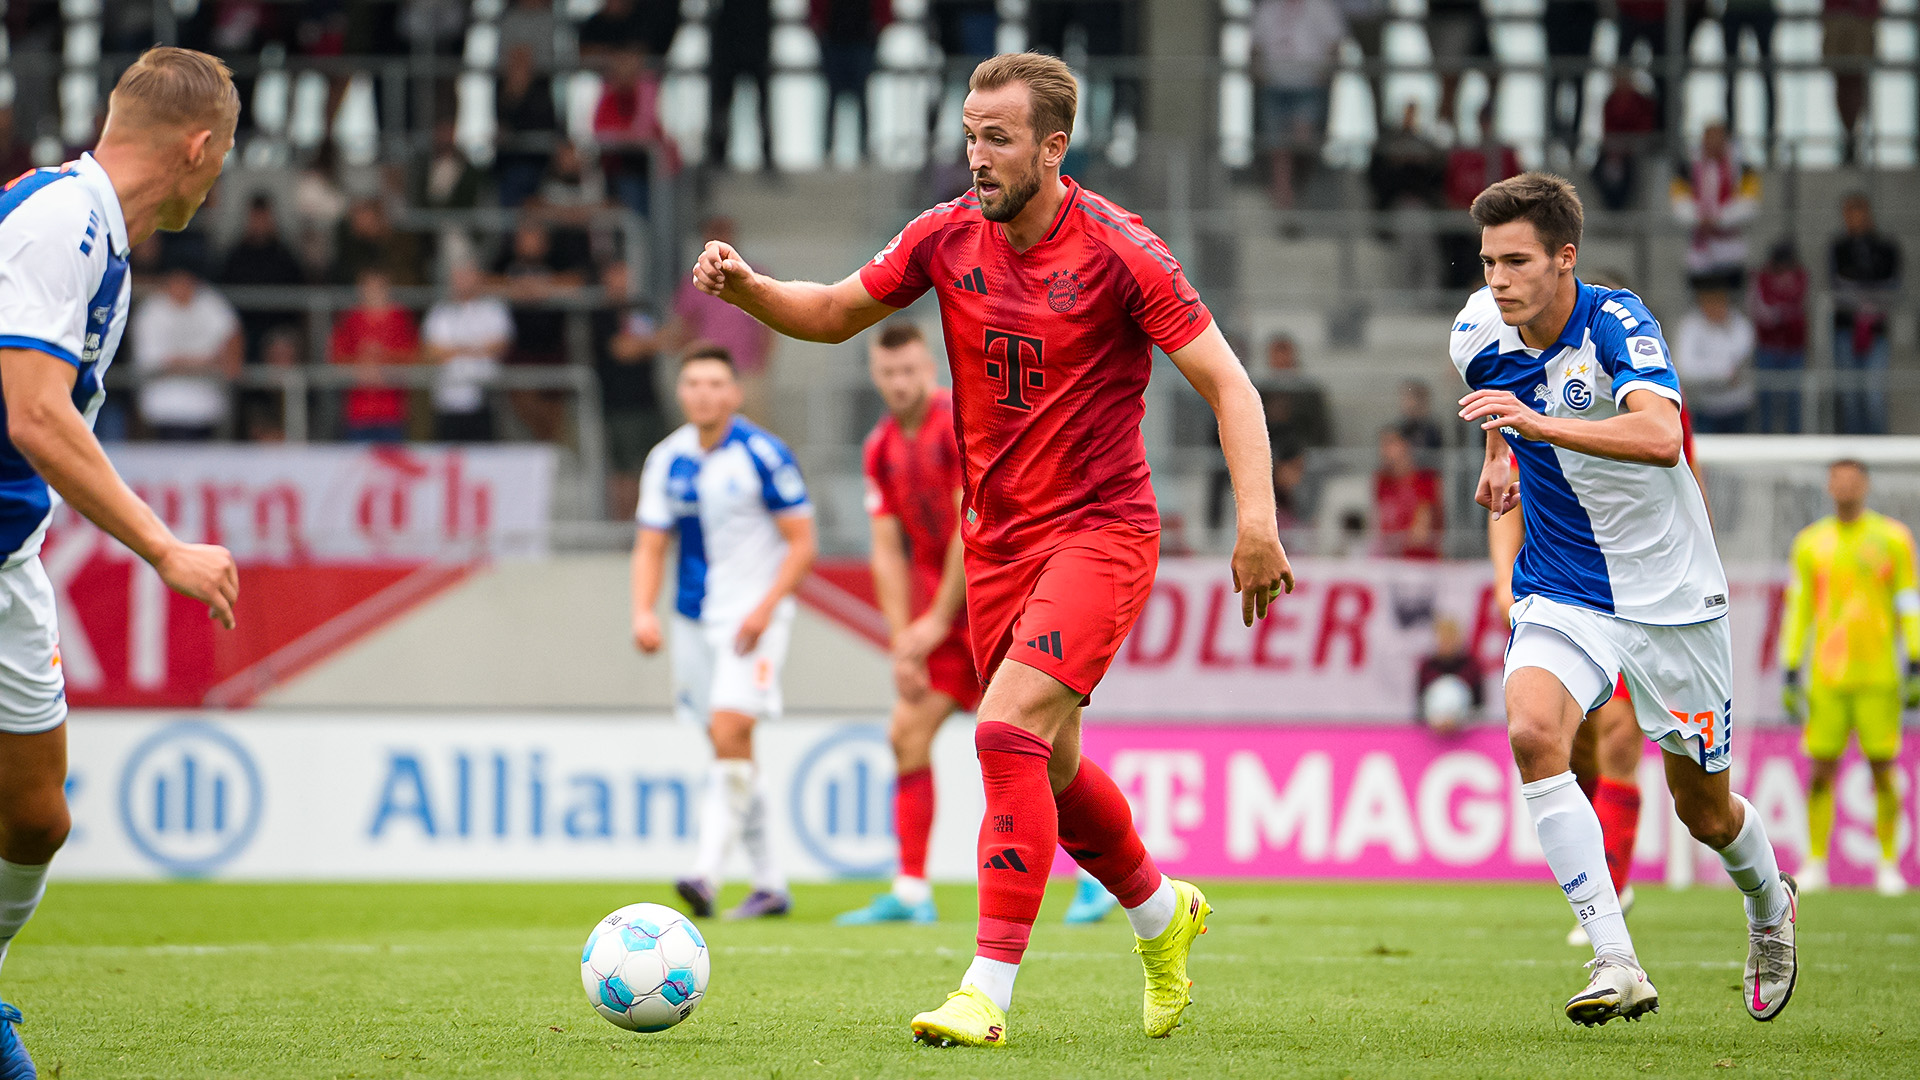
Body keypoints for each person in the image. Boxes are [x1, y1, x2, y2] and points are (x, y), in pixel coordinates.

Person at [686, 51, 1293, 1046]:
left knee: (1004, 733)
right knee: (1049, 766)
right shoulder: (945, 236)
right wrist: (749, 290)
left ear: (1055, 148)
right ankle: (1160, 912)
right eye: (970, 134)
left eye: (998, 137)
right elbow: (838, 313)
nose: (976, 155)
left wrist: (1257, 522)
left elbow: (1232, 387)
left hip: (1100, 533)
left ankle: (986, 990)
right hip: (999, 546)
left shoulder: (1122, 251)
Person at [1453, 172, 1796, 1026]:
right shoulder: (1475, 329)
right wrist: (1499, 451)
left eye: (1518, 261)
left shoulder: (1617, 322)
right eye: (1489, 260)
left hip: (1672, 596)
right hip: (1565, 584)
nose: (1498, 279)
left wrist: (1536, 428)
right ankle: (1616, 959)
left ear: (1565, 259)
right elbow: (1502, 393)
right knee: (1534, 733)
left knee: (1705, 811)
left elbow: (1657, 433)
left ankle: (1769, 905)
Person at [0, 46, 242, 1076]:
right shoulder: (62, 219)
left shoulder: (96, 232)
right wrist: (163, 546)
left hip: (9, 548)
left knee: (34, 815)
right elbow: (35, 415)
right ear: (198, 147)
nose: (219, 176)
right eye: (222, 157)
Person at [630, 345, 817, 921]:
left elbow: (803, 541)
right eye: (693, 383)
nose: (703, 393)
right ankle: (770, 884)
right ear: (681, 392)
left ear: (735, 393)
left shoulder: (763, 453)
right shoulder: (666, 459)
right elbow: (651, 543)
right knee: (726, 744)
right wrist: (643, 610)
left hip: (751, 620)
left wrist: (765, 607)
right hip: (692, 620)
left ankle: (705, 872)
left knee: (731, 727)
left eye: (715, 382)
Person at [836, 320, 980, 926]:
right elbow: (886, 550)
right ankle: (913, 891)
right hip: (940, 625)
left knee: (1040, 746)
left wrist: (937, 619)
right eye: (889, 372)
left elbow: (969, 528)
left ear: (931, 369)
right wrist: (903, 640)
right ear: (876, 376)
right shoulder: (880, 447)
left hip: (999, 603)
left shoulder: (956, 424)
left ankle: (1092, 882)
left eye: (910, 370)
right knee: (906, 734)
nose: (900, 382)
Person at [1779, 460, 1915, 898]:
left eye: (1853, 478)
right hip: (1827, 676)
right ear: (1829, 485)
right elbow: (1799, 606)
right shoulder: (1810, 543)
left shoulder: (1893, 539)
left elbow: (1908, 599)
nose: (1846, 485)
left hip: (1878, 675)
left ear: (1866, 484)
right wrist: (1791, 662)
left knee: (1883, 770)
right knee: (1821, 772)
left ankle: (1888, 863)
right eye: (1838, 478)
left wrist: (1914, 656)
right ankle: (1816, 860)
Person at [666, 216, 776, 424]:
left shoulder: (756, 274)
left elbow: (768, 325)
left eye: (724, 232)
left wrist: (763, 363)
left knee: (752, 429)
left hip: (746, 370)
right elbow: (686, 326)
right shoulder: (693, 280)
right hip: (708, 370)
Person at [1250, 0, 1345, 210]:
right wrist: (1260, 75)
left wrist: (1325, 76)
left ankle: (1298, 190)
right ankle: (1284, 199)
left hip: (1308, 86)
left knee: (1302, 141)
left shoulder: (1321, 7)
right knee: (1278, 146)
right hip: (1275, 86)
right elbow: (1256, 45)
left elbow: (1335, 45)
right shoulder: (1269, 8)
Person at [130, 266, 241, 439]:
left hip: (208, 406)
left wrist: (224, 364)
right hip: (164, 409)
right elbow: (154, 362)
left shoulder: (210, 303)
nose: (182, 286)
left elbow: (232, 337)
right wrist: (207, 362)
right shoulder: (151, 310)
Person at [594, 261, 667, 521]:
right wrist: (649, 344)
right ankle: (623, 527)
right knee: (623, 471)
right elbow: (621, 350)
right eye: (615, 273)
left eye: (625, 272)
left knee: (653, 466)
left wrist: (643, 344)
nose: (621, 279)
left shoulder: (641, 307)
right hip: (619, 403)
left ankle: (648, 524)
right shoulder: (600, 313)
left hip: (648, 398)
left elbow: (668, 340)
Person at [1829, 193, 1899, 435]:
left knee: (1874, 395)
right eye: (1849, 214)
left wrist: (1865, 295)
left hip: (1876, 331)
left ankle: (1876, 452)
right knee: (1849, 395)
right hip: (1846, 329)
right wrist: (1866, 293)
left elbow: (1890, 285)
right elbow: (1836, 284)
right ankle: (1853, 455)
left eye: (1858, 213)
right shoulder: (1838, 247)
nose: (1853, 219)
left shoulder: (1886, 247)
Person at [421, 262, 511, 442]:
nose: (461, 282)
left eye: (467, 276)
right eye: (458, 277)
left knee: (483, 459)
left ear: (477, 278)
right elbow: (432, 353)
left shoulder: (493, 309)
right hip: (448, 401)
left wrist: (454, 349)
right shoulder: (440, 312)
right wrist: (474, 348)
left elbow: (499, 346)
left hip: (484, 399)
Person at [328, 269, 419, 442]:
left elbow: (412, 356)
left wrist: (383, 357)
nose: (373, 293)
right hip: (358, 410)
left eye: (378, 288)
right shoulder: (350, 319)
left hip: (391, 410)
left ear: (387, 289)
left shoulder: (400, 318)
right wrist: (361, 362)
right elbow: (337, 357)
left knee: (392, 465)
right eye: (369, 288)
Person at [1670, 123, 1760, 291]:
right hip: (1699, 248)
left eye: (1718, 139)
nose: (1713, 143)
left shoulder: (1742, 168)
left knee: (1730, 297)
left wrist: (1718, 219)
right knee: (1702, 296)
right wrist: (1700, 218)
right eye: (1709, 138)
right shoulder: (1688, 167)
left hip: (1730, 247)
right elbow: (1679, 204)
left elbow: (1749, 204)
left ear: (1726, 140)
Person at [1673, 284, 1756, 434]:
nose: (1715, 307)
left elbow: (1741, 359)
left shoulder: (1740, 324)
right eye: (1709, 301)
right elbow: (1686, 368)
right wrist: (1722, 375)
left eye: (1719, 301)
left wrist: (1710, 368)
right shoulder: (1690, 325)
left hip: (1738, 406)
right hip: (1704, 406)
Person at [813, 0, 889, 162]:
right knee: (840, 98)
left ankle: (859, 149)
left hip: (857, 41)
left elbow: (884, 12)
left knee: (855, 97)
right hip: (838, 40)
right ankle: (831, 149)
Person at [707, 0, 776, 170]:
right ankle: (719, 153)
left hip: (745, 39)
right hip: (736, 40)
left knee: (757, 104)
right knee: (724, 103)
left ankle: (765, 153)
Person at [1748, 239, 1807, 434]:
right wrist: (1783, 312)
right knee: (1766, 399)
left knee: (1793, 400)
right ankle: (1766, 439)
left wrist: (1782, 312)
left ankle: (1795, 439)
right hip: (1768, 345)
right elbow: (1763, 312)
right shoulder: (1762, 277)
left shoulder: (1799, 276)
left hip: (1793, 346)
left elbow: (1799, 306)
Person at [1373, 427, 1442, 559]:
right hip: (1390, 561)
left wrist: (1394, 540)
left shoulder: (1424, 481)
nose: (1384, 450)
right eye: (1383, 445)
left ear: (1406, 445)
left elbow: (1421, 534)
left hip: (1419, 562)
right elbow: (1379, 522)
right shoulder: (1382, 482)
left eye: (1390, 443)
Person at [1823, 0, 1878, 164]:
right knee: (1843, 81)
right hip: (1839, 14)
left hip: (1860, 15)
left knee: (1855, 81)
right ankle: (1848, 135)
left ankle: (1852, 134)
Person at [1415, 615, 1485, 732]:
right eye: (1443, 637)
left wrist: (1459, 719)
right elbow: (1419, 705)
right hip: (1432, 734)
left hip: (1467, 734)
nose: (1447, 642)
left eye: (1450, 637)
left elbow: (1480, 706)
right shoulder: (1427, 667)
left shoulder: (1471, 666)